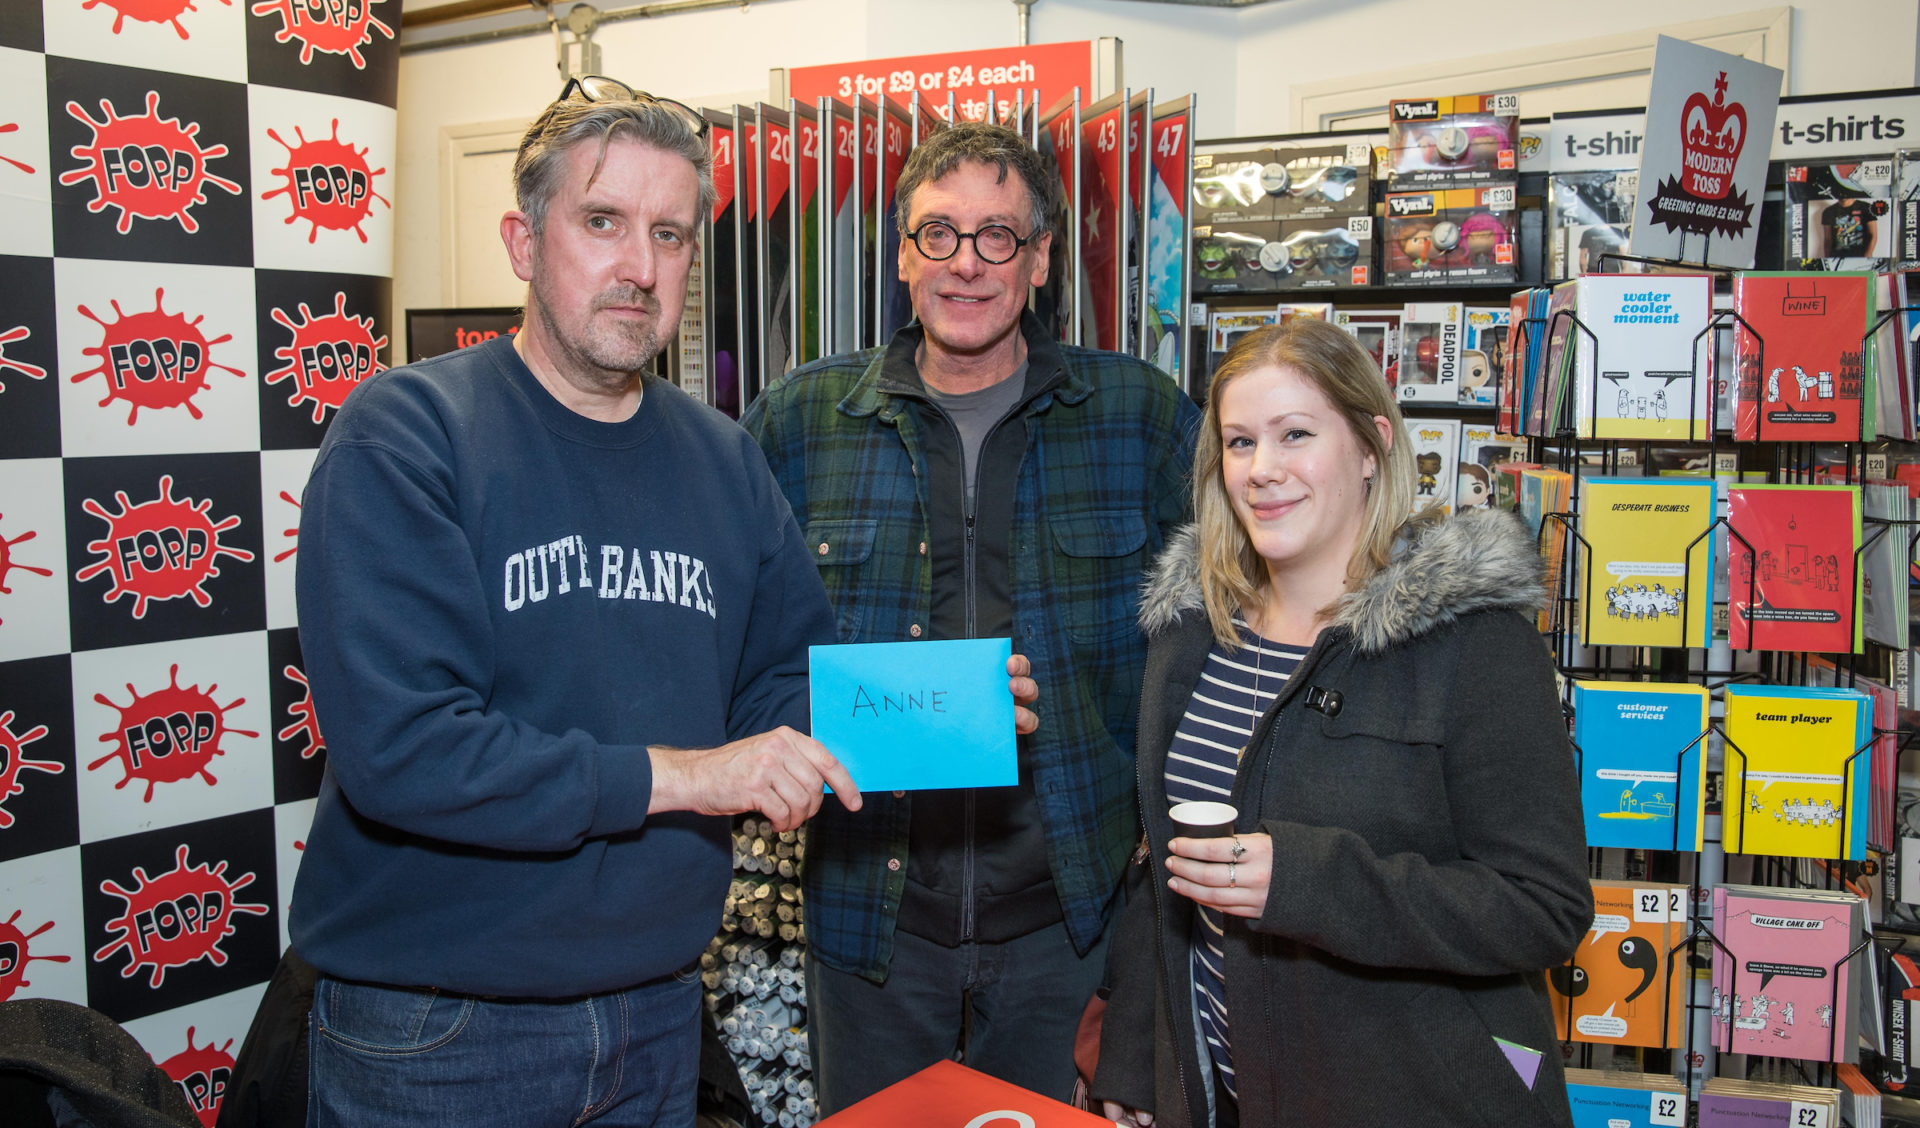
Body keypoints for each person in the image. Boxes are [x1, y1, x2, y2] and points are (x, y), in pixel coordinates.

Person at [290, 79, 895, 1127]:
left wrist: (936, 709)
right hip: (442, 1033)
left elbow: (777, 689)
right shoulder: (408, 434)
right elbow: (408, 751)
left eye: (670, 234)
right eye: (603, 221)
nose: (640, 268)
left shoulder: (723, 458)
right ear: (523, 243)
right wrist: (691, 776)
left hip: (657, 1015)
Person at [743, 120, 1201, 1111]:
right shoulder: (801, 422)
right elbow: (736, 643)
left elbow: (1228, 622)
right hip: (870, 923)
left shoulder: (1136, 416)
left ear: (1040, 259)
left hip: (1068, 927)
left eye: (998, 236)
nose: (966, 263)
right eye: (938, 233)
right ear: (902, 255)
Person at [1093, 319, 1591, 1127]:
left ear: (1371, 446)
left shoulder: (1472, 641)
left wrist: (1307, 882)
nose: (1263, 469)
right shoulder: (1193, 630)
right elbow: (1166, 870)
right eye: (1241, 442)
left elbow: (1544, 906)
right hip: (1223, 1094)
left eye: (1296, 434)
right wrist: (1139, 1058)